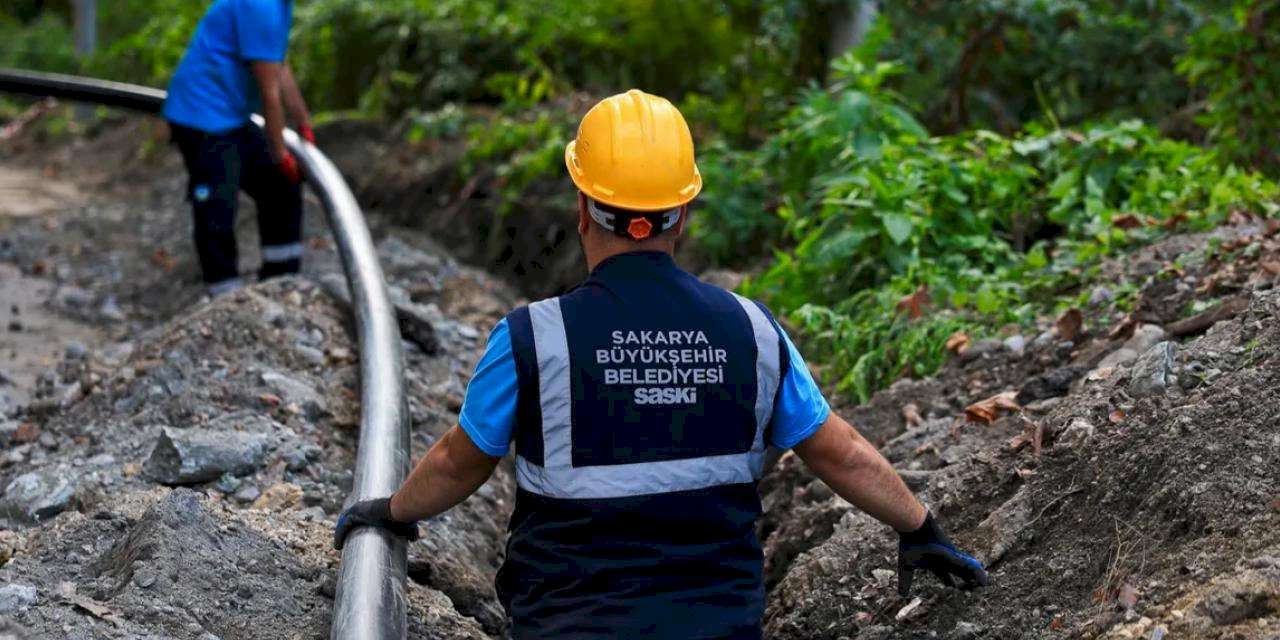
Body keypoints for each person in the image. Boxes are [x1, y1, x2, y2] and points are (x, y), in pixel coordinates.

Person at [333, 89, 988, 638]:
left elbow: (459, 460)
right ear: (683, 215)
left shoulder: (533, 336)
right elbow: (837, 450)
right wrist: (919, 525)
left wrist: (391, 512)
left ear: (584, 205)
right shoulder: (753, 332)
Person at [162, 0, 315, 296]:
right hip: (200, 114)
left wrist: (303, 121)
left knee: (280, 184)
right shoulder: (261, 6)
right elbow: (268, 91)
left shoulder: (280, 6)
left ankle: (281, 281)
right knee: (218, 202)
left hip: (232, 116)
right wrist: (281, 153)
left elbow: (279, 65)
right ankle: (224, 293)